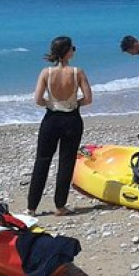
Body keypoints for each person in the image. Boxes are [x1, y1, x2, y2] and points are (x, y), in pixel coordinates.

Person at [27, 36, 92, 216]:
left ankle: (32, 207)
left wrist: (52, 104)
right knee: (66, 161)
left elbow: (39, 99)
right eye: (73, 48)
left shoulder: (46, 73)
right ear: (67, 51)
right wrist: (74, 103)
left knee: (42, 161)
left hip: (51, 119)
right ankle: (59, 206)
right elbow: (88, 99)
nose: (74, 50)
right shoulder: (77, 72)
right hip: (72, 119)